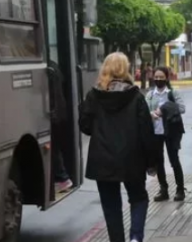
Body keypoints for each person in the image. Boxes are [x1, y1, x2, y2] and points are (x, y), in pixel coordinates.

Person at [79, 52, 159, 242]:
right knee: (138, 197)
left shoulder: (93, 96)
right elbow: (146, 132)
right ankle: (136, 238)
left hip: (103, 159)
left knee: (111, 204)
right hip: (132, 158)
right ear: (126, 69)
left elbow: (85, 125)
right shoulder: (136, 97)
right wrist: (152, 162)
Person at [145, 66, 186, 202]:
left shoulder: (173, 93)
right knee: (158, 162)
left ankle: (180, 189)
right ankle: (163, 189)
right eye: (156, 77)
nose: (158, 80)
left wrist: (164, 110)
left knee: (174, 160)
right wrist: (151, 114)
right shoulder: (150, 95)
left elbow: (181, 108)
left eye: (161, 77)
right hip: (155, 132)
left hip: (171, 132)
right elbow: (144, 111)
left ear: (166, 78)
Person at [48, 59, 74, 193]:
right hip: (59, 112)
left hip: (53, 113)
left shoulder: (48, 67)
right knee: (55, 146)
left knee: (53, 147)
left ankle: (62, 178)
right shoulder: (53, 65)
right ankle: (62, 177)